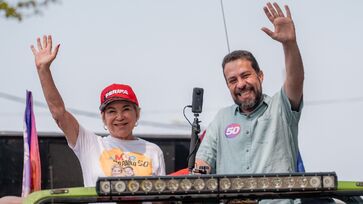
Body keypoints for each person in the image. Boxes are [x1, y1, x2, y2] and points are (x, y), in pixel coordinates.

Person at [30, 35, 166, 187]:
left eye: (126, 109)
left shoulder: (153, 151)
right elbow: (59, 113)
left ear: (137, 114)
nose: (119, 117)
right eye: (112, 111)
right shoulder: (91, 144)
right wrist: (43, 70)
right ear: (103, 118)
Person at [196, 2, 304, 176]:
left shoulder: (281, 108)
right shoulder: (221, 118)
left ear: (260, 76)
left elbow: (296, 80)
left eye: (245, 75)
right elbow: (204, 161)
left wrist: (289, 44)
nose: (240, 84)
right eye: (233, 80)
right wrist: (197, 177)